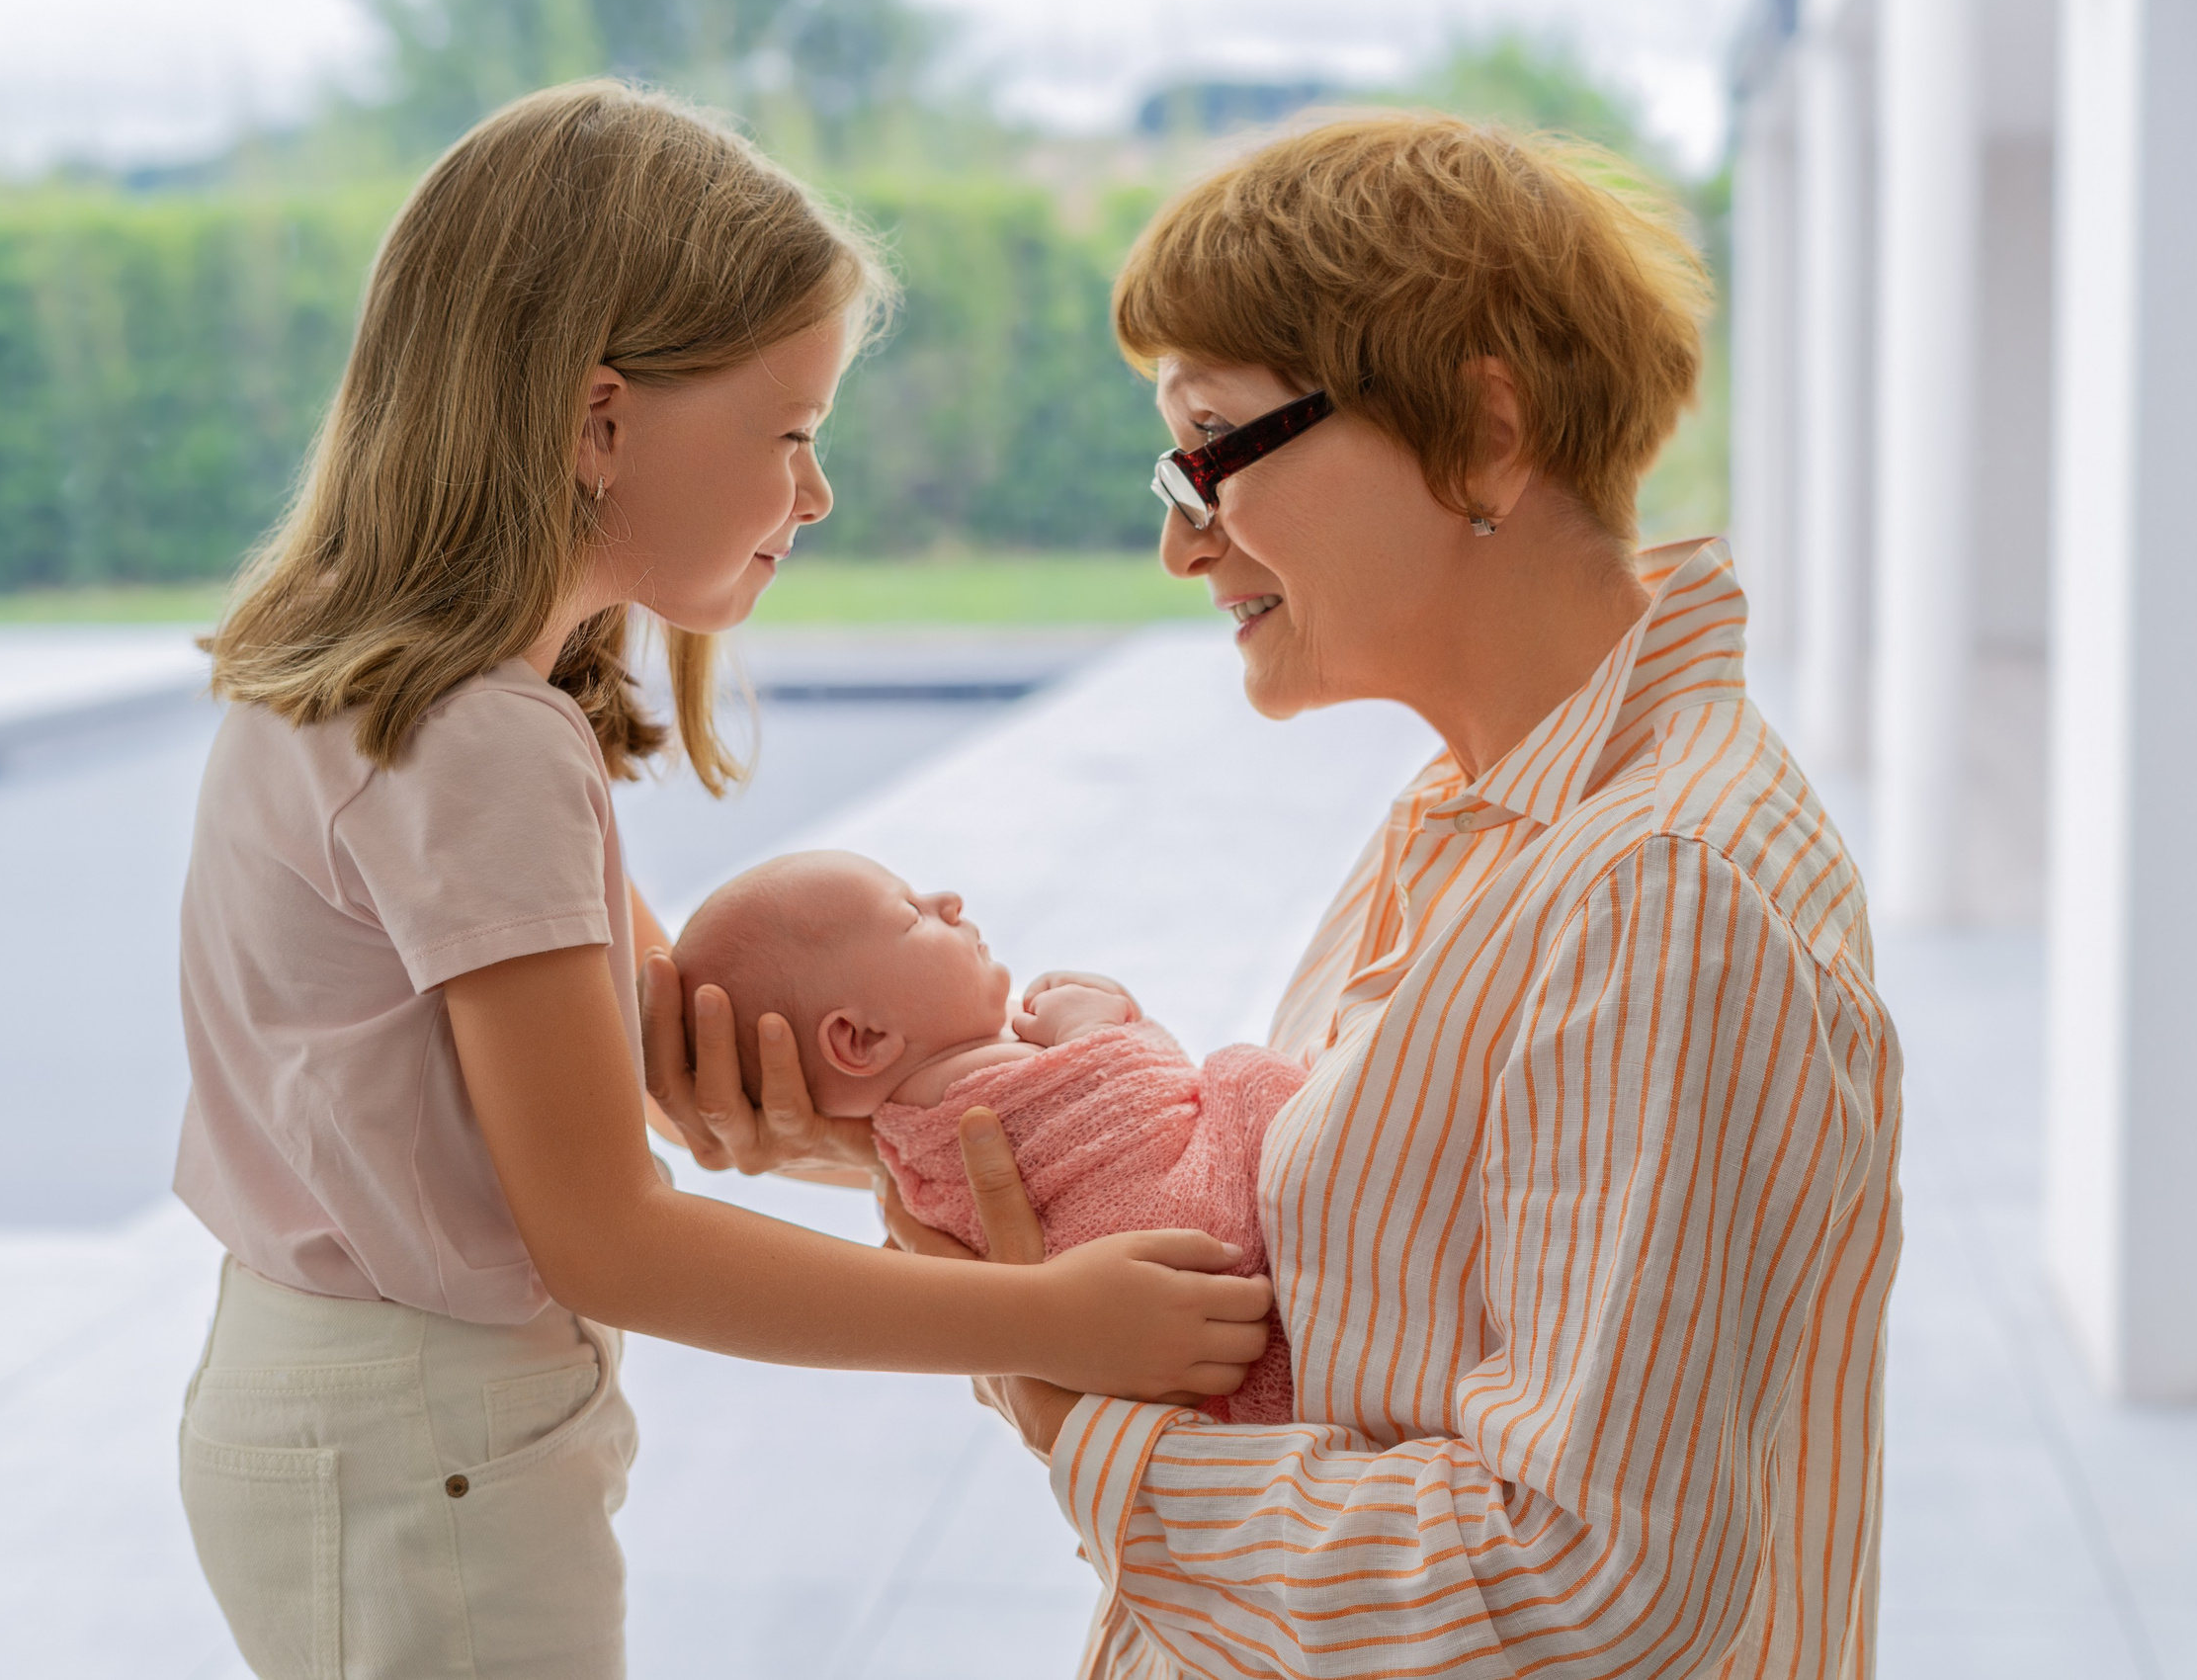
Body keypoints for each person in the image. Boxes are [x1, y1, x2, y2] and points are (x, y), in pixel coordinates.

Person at [658, 112, 1903, 1679]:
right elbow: (1360, 1285)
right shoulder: (1489, 816)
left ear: (1482, 433)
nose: (1179, 542)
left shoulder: (1658, 893)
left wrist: (1085, 1424)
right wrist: (914, 1134)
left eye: (1215, 448)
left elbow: (1579, 1587)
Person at [170, 81, 1270, 1679]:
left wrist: (1027, 1123)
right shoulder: (482, 740)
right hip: (427, 1444)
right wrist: (1051, 1315)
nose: (817, 495)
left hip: (353, 1412)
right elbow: (609, 1235)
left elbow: (682, 1058)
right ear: (599, 422)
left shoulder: (388, 688)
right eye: (794, 434)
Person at [670, 849, 1302, 1421]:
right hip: (1186, 1238)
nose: (949, 902)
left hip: (1145, 1305)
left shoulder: (904, 1140)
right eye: (911, 915)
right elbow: (1133, 1096)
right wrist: (1101, 1027)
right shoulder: (974, 1086)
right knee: (1244, 1072)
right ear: (862, 1038)